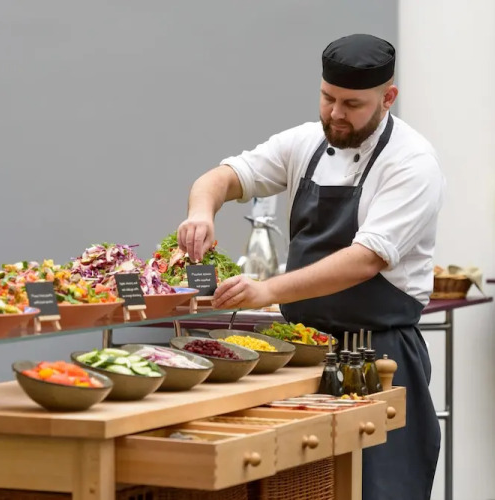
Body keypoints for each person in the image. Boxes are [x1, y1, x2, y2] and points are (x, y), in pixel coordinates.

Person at [177, 34, 443, 500]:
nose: (335, 113)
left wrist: (268, 290)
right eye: (327, 98)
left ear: (388, 98)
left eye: (352, 104)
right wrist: (201, 211)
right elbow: (224, 177)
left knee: (380, 489)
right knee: (297, 487)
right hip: (300, 351)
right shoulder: (305, 142)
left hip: (377, 356)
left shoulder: (412, 162)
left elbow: (365, 259)